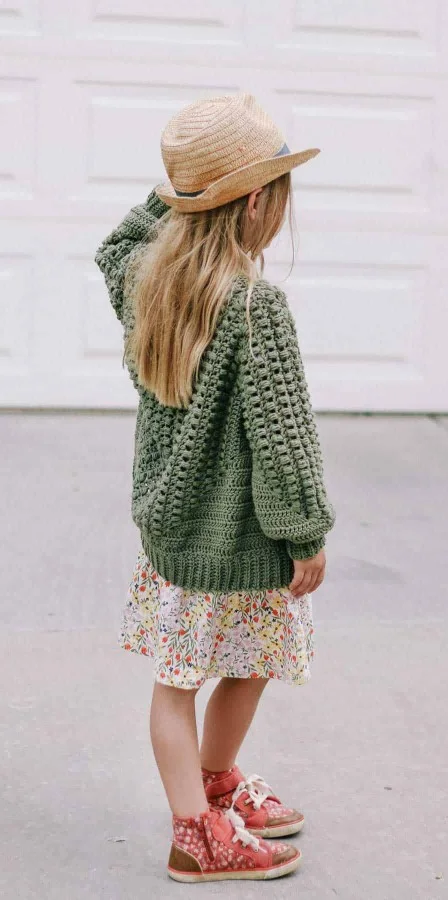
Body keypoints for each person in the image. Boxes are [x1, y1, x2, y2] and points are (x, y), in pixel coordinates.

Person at [94, 92, 336, 883]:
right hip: (237, 536)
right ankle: (196, 836)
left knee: (178, 682)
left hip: (169, 529)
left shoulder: (145, 276)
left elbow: (119, 238)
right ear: (260, 201)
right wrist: (305, 533)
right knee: (248, 660)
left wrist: (180, 189)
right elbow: (284, 440)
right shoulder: (254, 306)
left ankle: (212, 785)